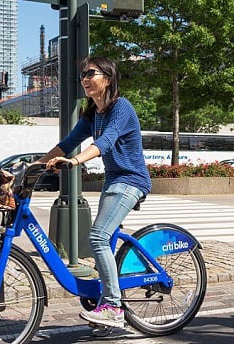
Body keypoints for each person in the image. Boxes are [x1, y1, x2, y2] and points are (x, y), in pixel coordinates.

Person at [35, 56, 152, 328]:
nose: (84, 79)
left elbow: (106, 142)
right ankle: (105, 297)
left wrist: (75, 161)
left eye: (91, 73)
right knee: (104, 238)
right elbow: (67, 143)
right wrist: (34, 166)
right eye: (82, 75)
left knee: (98, 237)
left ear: (108, 79)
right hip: (113, 181)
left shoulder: (121, 107)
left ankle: (113, 306)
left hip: (131, 180)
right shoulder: (92, 115)